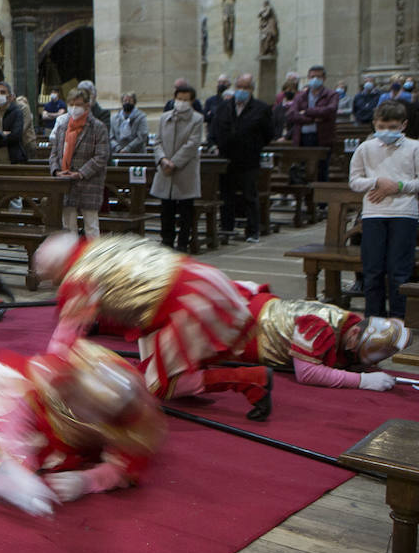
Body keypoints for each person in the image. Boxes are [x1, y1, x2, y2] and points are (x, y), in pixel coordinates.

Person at [34, 232, 269, 418]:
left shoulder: (78, 275)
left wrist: (44, 381)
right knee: (150, 373)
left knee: (161, 386)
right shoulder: (96, 246)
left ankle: (251, 380)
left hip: (182, 302)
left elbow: (65, 338)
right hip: (192, 280)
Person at [0, 341, 166, 516]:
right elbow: (15, 417)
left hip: (63, 441)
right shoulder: (56, 378)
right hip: (21, 400)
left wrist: (86, 480)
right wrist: (19, 468)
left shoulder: (133, 419)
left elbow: (125, 465)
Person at [214, 282, 409, 393]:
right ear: (355, 333)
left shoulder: (349, 322)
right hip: (249, 329)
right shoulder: (319, 326)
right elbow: (307, 373)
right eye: (355, 352)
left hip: (263, 312)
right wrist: (362, 381)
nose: (352, 356)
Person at [350, 100, 419, 320]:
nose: (386, 131)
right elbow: (355, 181)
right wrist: (377, 181)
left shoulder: (415, 147)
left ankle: (399, 323)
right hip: (374, 214)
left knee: (399, 272)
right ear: (375, 124)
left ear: (404, 125)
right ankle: (373, 322)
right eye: (382, 127)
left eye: (393, 127)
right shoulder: (365, 148)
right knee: (373, 271)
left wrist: (398, 186)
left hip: (404, 214)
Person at [213, 74, 272, 243]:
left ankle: (252, 231)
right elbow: (216, 129)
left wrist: (254, 145)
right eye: (239, 87)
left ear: (252, 89)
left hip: (249, 159)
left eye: (245, 87)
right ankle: (226, 228)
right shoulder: (224, 107)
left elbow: (268, 134)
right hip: (226, 158)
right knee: (226, 195)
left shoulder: (261, 108)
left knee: (249, 195)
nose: (241, 91)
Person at [49, 87, 110, 238]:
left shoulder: (98, 127)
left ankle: (94, 260)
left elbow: (102, 156)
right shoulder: (63, 126)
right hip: (66, 182)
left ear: (87, 106)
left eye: (78, 104)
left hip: (89, 182)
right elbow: (54, 153)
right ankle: (72, 257)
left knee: (91, 226)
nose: (74, 108)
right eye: (71, 104)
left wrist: (81, 173)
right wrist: (56, 170)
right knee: (68, 227)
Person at [151, 84, 204, 253]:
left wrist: (174, 162)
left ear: (191, 101)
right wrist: (162, 159)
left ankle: (183, 242)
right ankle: (167, 240)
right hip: (165, 170)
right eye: (179, 99)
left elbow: (192, 144)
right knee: (166, 209)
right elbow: (157, 141)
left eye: (185, 100)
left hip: (184, 170)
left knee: (185, 210)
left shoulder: (196, 119)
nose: (181, 102)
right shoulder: (165, 117)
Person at [290, 66, 338, 180]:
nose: (315, 79)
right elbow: (292, 114)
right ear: (308, 78)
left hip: (322, 137)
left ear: (324, 78)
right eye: (312, 77)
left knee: (321, 169)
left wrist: (306, 112)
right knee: (302, 170)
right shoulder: (300, 96)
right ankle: (304, 196)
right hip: (303, 138)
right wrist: (312, 119)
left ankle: (321, 196)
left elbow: (329, 111)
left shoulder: (331, 94)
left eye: (318, 76)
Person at [0, 81, 28, 163]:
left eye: (3, 92)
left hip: (12, 157)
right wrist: (0, 134)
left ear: (10, 96)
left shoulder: (17, 112)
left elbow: (15, 136)